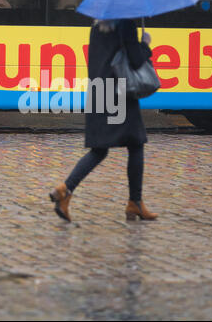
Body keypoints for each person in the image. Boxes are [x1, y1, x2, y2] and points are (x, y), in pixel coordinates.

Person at [49, 19, 158, 222]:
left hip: (99, 91)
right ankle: (135, 202)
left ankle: (65, 190)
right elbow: (135, 60)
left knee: (99, 149)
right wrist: (145, 44)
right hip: (120, 93)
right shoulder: (126, 24)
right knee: (136, 144)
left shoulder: (97, 25)